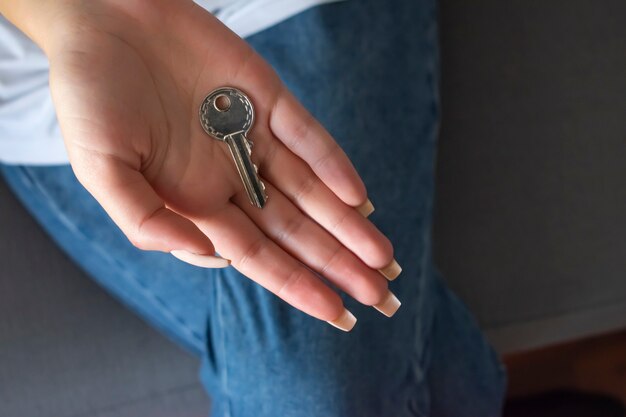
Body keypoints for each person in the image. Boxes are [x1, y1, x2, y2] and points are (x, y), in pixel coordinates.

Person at [0, 0, 506, 415]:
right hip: (45, 75)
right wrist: (75, 16)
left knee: (312, 389)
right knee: (346, 378)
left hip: (283, 9)